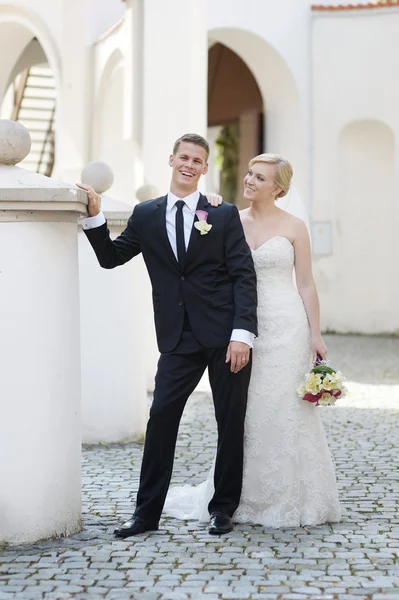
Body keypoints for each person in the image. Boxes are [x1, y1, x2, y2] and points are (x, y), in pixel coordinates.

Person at [77, 133, 258, 537]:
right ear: (171, 160)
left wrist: (242, 333)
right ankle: (145, 515)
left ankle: (223, 508)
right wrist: (94, 216)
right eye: (184, 157)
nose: (189, 165)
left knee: (229, 421)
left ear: (205, 168)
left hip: (225, 334)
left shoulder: (221, 213)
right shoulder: (145, 214)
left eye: (197, 160)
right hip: (177, 339)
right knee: (160, 417)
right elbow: (111, 258)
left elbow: (243, 275)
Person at [164, 153, 341, 528]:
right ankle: (233, 496)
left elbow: (306, 283)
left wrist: (315, 333)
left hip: (286, 326)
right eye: (249, 173)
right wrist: (206, 205)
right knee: (242, 412)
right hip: (240, 327)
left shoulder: (294, 227)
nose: (249, 181)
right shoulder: (227, 218)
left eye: (260, 178)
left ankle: (291, 496)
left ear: (278, 188)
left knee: (284, 409)